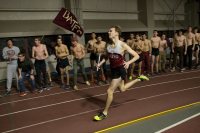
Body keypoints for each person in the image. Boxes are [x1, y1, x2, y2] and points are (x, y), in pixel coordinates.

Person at [93, 26, 149, 121]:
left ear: (116, 33)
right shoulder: (108, 45)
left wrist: (128, 63)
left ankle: (104, 113)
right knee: (122, 89)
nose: (108, 32)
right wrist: (100, 64)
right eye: (108, 31)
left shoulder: (122, 45)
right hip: (113, 69)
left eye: (111, 31)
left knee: (109, 91)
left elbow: (136, 56)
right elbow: (106, 57)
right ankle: (139, 79)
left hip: (120, 70)